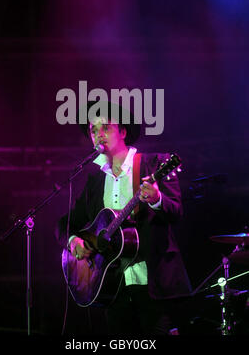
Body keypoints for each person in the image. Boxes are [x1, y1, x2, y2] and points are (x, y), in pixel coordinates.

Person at [56, 101, 192, 336]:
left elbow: (176, 211)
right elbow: (64, 224)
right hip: (112, 288)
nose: (98, 134)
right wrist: (74, 241)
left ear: (123, 132)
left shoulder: (155, 164)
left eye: (105, 127)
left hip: (154, 285)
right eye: (93, 129)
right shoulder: (94, 182)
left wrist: (157, 199)